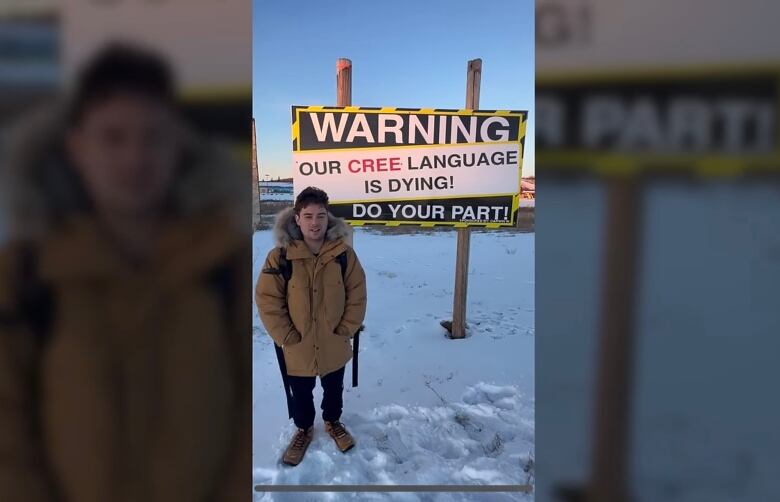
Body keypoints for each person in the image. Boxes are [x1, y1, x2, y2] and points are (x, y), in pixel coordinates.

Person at [0, 43, 250, 501]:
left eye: (153, 137)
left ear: (177, 143)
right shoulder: (26, 273)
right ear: (77, 147)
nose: (135, 158)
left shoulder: (224, 266)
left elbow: (245, 420)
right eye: (113, 137)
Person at [256, 187, 367, 466]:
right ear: (297, 219)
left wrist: (346, 328)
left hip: (334, 340)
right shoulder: (280, 256)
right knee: (301, 392)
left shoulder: (343, 255)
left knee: (334, 388)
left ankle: (333, 421)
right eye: (308, 216)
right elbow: (268, 299)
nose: (315, 222)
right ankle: (304, 429)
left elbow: (357, 293)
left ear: (327, 217)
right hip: (298, 344)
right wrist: (286, 336)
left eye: (320, 215)